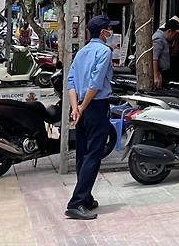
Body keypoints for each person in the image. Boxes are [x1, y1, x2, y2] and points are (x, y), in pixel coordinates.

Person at [64, 15, 116, 221]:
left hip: (80, 106)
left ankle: (85, 198)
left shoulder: (82, 52)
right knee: (94, 154)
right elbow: (95, 83)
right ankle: (76, 203)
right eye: (109, 29)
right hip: (95, 106)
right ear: (103, 32)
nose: (111, 32)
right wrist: (83, 106)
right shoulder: (104, 52)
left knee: (83, 154)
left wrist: (75, 108)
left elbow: (70, 81)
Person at [151, 19, 179, 88]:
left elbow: (173, 53)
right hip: (160, 72)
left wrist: (176, 40)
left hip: (166, 72)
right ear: (169, 31)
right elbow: (154, 59)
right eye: (175, 34)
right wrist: (156, 77)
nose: (177, 36)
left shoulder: (166, 40)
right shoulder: (158, 39)